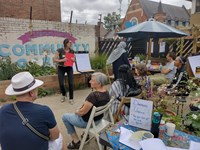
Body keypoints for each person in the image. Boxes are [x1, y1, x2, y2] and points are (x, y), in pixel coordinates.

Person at [0, 71, 61, 150]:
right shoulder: (44, 111)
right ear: (31, 93)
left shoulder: (3, 110)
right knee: (60, 138)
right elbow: (55, 136)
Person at [62, 72, 110, 149]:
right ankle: (85, 134)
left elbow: (81, 113)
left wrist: (76, 111)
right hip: (98, 120)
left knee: (65, 117)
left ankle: (76, 141)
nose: (90, 81)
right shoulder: (106, 92)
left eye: (92, 80)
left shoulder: (93, 96)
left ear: (99, 83)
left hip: (88, 122)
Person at [53, 38, 75, 103]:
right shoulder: (59, 50)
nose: (71, 44)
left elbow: (74, 59)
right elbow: (54, 59)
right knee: (61, 84)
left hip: (69, 68)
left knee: (71, 83)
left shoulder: (72, 51)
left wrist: (73, 60)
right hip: (61, 68)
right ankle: (64, 94)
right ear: (66, 43)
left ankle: (71, 98)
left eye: (71, 43)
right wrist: (62, 60)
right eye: (69, 43)